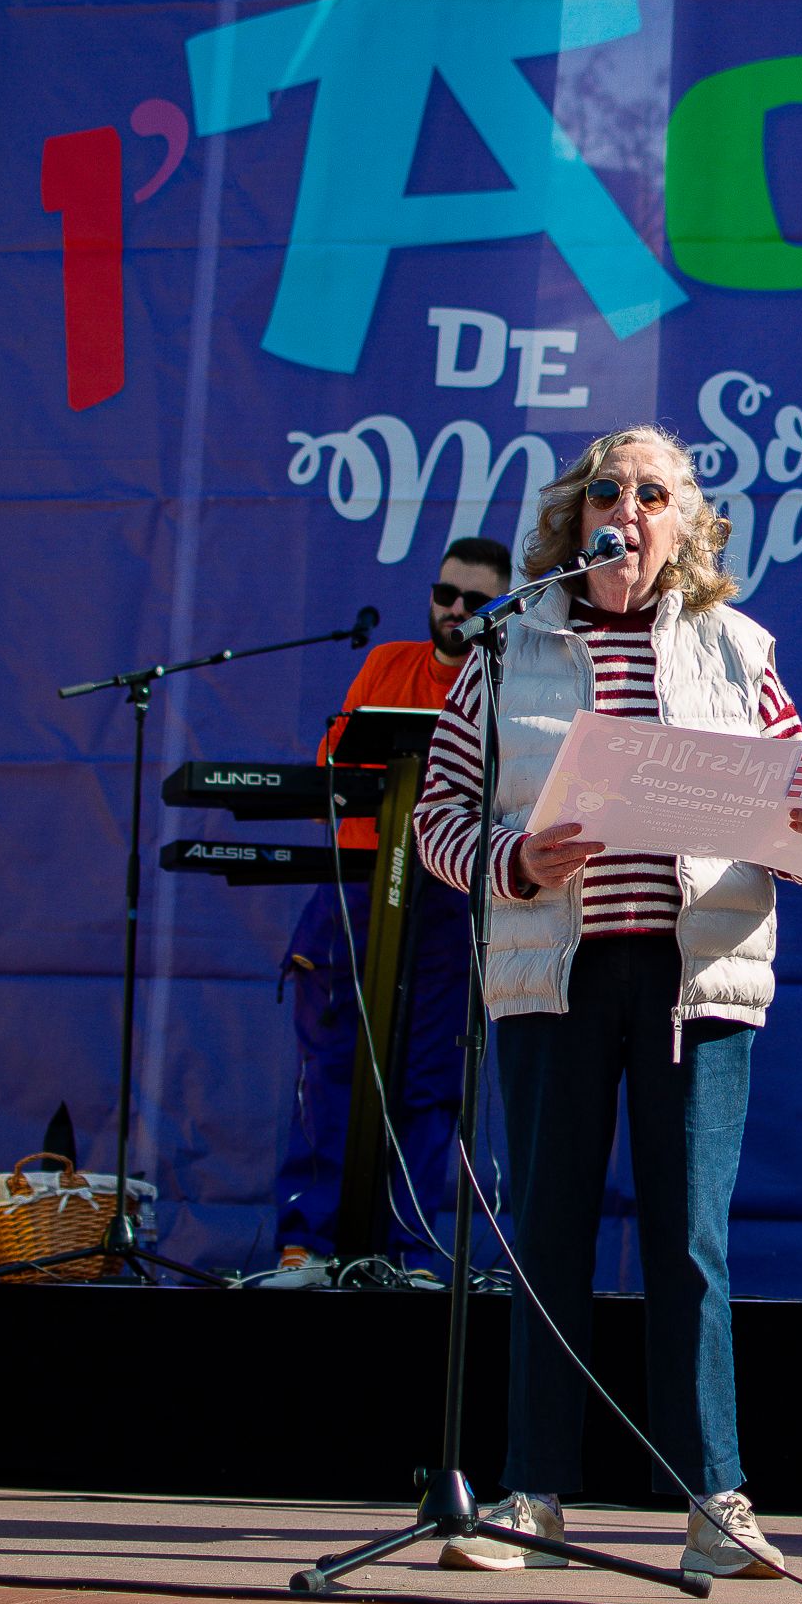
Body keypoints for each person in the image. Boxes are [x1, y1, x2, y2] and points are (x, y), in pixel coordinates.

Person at [408, 426, 802, 1581]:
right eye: (606, 491)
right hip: (553, 981)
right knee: (550, 1233)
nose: (629, 507)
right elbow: (437, 822)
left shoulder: (736, 646)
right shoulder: (507, 647)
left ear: (688, 523)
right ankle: (532, 1494)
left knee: (690, 1241)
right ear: (572, 521)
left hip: (693, 983)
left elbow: (801, 818)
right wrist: (515, 861)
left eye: (653, 492)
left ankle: (714, 1495)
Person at [275, 537, 513, 1273]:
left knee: (427, 1080)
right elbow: (335, 766)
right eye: (446, 595)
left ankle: (407, 1253)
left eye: (475, 602)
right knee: (331, 1067)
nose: (455, 611)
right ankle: (304, 1247)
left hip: (444, 895)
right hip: (357, 887)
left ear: (500, 611)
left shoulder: (503, 682)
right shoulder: (387, 663)